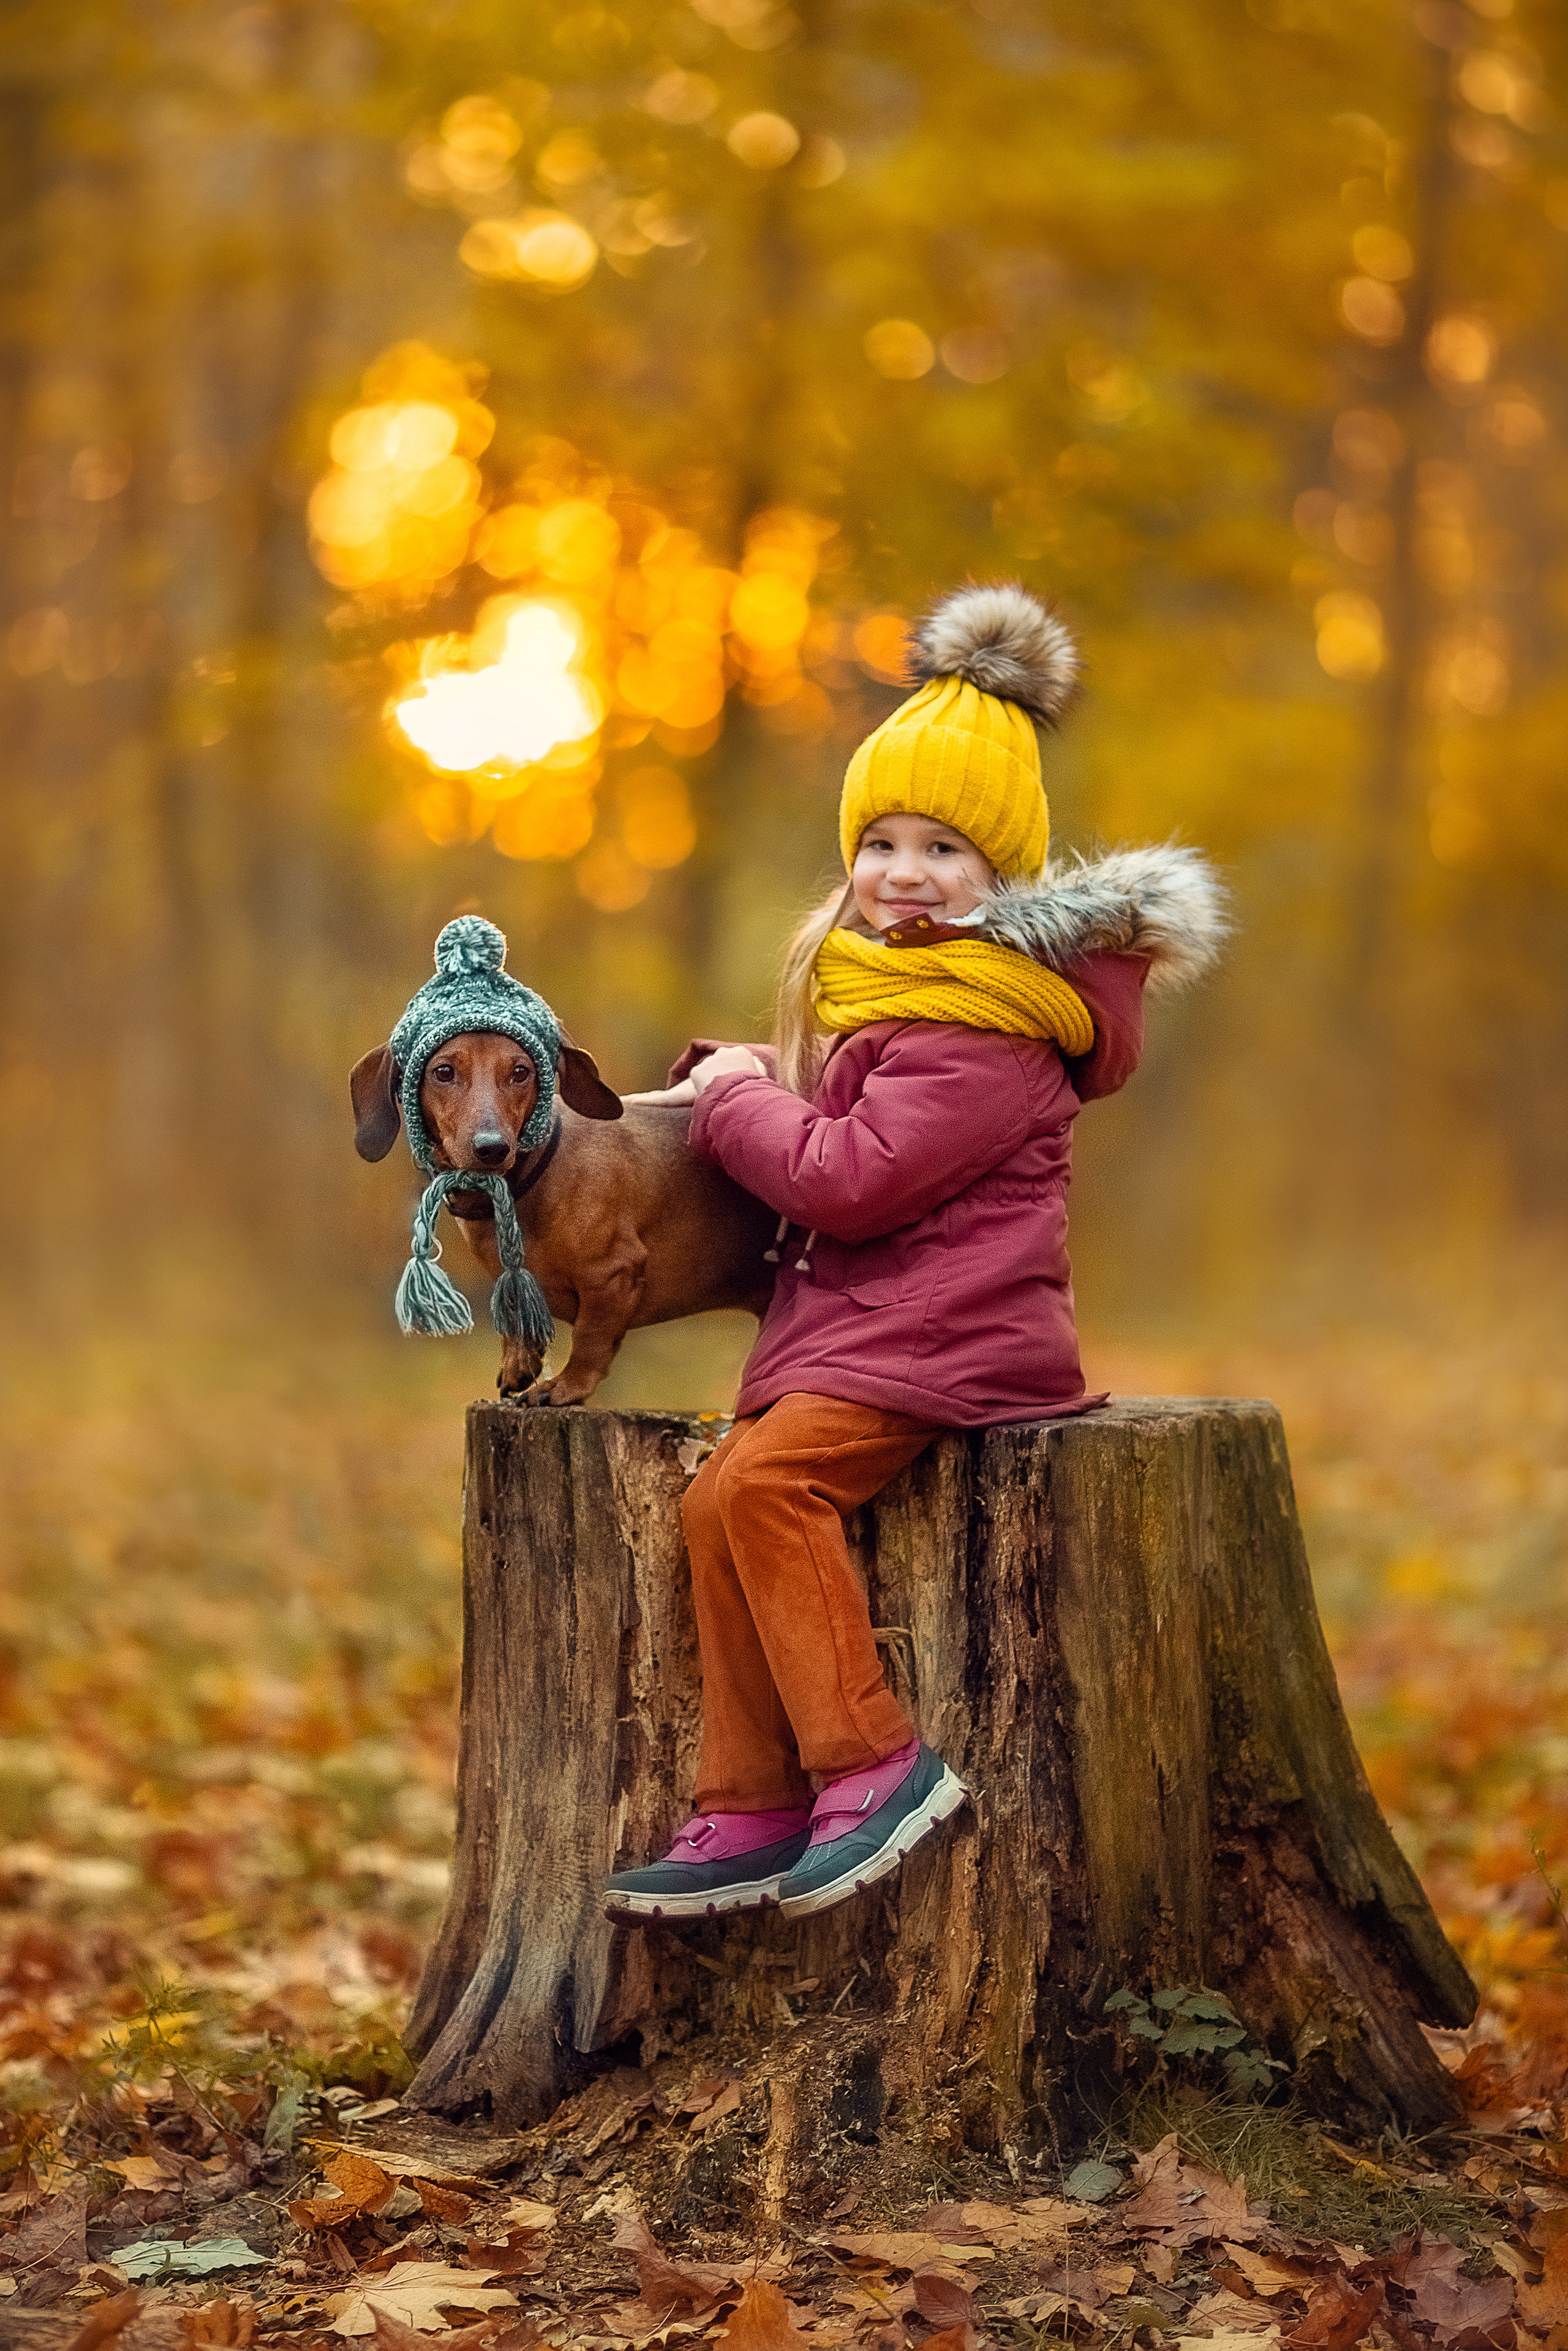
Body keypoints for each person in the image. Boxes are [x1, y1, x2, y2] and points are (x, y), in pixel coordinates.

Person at [603, 583, 1225, 1926]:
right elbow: (845, 1113)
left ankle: (873, 1765)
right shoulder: (896, 994)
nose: (901, 869)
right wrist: (759, 1073)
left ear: (1000, 880)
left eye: (943, 846)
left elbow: (852, 1175)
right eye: (879, 840)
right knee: (716, 1499)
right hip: (879, 1328)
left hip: (945, 1334)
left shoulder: (990, 1025)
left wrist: (732, 1099)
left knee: (764, 1491)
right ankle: (750, 1795)